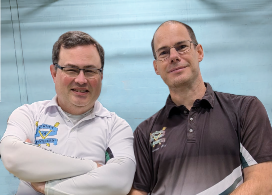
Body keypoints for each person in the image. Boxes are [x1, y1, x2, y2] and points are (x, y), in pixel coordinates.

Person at [129, 20, 272, 195]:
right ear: (156, 67)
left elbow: (264, 181)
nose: (174, 56)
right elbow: (138, 192)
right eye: (164, 53)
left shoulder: (245, 109)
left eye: (182, 47)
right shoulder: (144, 132)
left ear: (199, 52)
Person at [0, 31, 135, 195]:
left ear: (101, 75)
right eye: (71, 69)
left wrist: (47, 186)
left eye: (90, 70)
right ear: (54, 73)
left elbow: (119, 180)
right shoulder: (29, 114)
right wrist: (92, 167)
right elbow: (12, 155)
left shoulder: (116, 127)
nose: (81, 80)